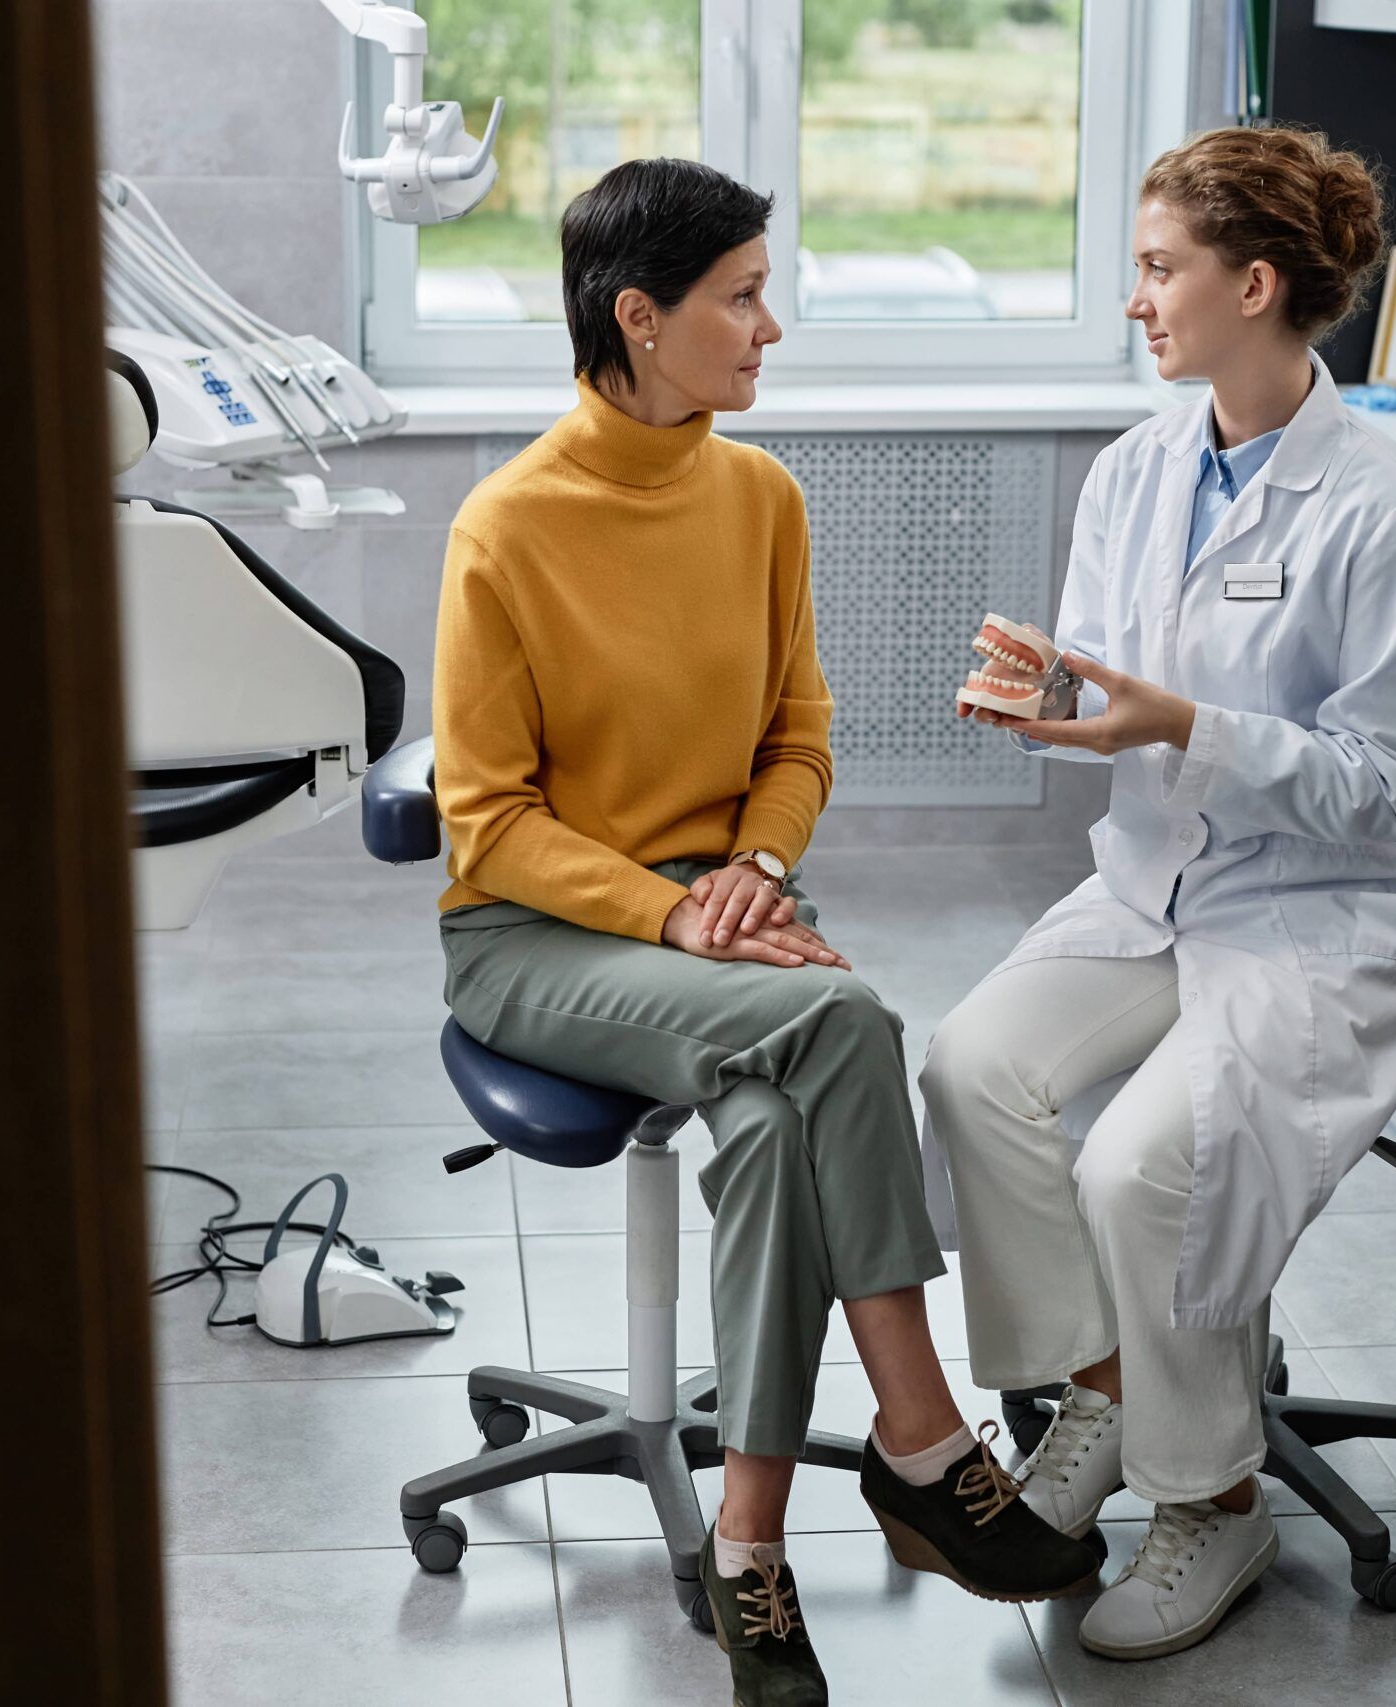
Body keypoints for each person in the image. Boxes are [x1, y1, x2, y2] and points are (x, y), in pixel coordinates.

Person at [431, 157, 1101, 1705]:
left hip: (729, 920)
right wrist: (680, 908)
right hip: (542, 936)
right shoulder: (506, 529)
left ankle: (749, 1548)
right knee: (843, 1019)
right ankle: (925, 1445)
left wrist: (748, 868)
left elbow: (800, 740)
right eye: (742, 298)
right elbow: (491, 826)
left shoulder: (761, 495)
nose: (770, 327)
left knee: (765, 1133)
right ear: (640, 319)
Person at [925, 124, 1396, 1664]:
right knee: (972, 1067)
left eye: (1159, 270)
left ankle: (1210, 1497)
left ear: (1254, 283)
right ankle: (1099, 1394)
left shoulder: (1380, 508)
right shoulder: (1140, 464)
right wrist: (1053, 700)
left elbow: (1382, 784)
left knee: (1141, 1172)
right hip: (1158, 884)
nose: (1136, 300)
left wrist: (1182, 727)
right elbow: (1114, 678)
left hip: (1330, 911)